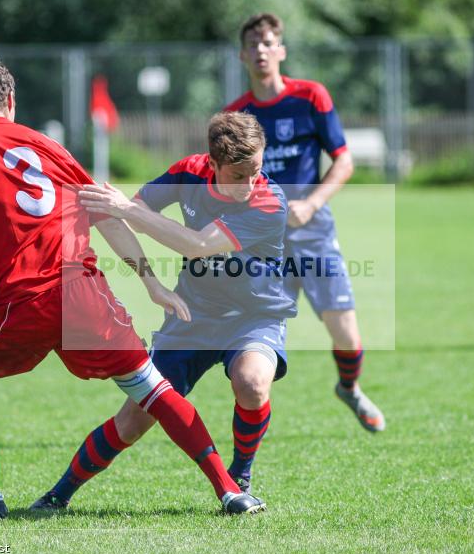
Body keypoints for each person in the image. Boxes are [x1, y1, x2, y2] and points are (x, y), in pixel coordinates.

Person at [0, 58, 263, 518]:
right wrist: (150, 281)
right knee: (152, 388)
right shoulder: (49, 147)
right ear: (11, 101)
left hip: (17, 301)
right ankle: (229, 490)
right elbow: (105, 215)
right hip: (84, 294)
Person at [31, 111, 293, 508]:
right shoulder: (189, 172)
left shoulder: (269, 203)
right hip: (192, 313)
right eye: (239, 175)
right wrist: (126, 214)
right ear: (213, 163)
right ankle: (59, 494)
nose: (250, 183)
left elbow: (195, 245)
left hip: (253, 317)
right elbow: (134, 212)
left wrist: (128, 210)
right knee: (134, 419)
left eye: (256, 170)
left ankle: (240, 474)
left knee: (253, 383)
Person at [224, 13, 384, 433]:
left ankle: (349, 388)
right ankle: (253, 415)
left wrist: (311, 204)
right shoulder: (235, 115)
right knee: (257, 341)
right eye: (253, 44)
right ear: (243, 55)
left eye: (268, 42)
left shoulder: (311, 97)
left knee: (346, 332)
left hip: (312, 232)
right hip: (262, 245)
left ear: (281, 50)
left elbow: (343, 161)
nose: (261, 49)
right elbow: (220, 184)